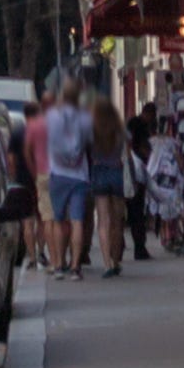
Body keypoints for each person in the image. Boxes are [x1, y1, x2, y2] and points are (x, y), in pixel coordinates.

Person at [35, 75, 90, 278]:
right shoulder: (84, 117)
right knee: (77, 221)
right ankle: (75, 266)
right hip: (79, 176)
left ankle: (58, 264)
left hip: (58, 174)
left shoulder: (53, 116)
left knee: (58, 221)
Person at [84, 87, 134, 278]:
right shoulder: (119, 128)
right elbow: (128, 149)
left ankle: (106, 264)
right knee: (117, 220)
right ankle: (115, 258)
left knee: (103, 220)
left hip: (99, 172)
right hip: (116, 171)